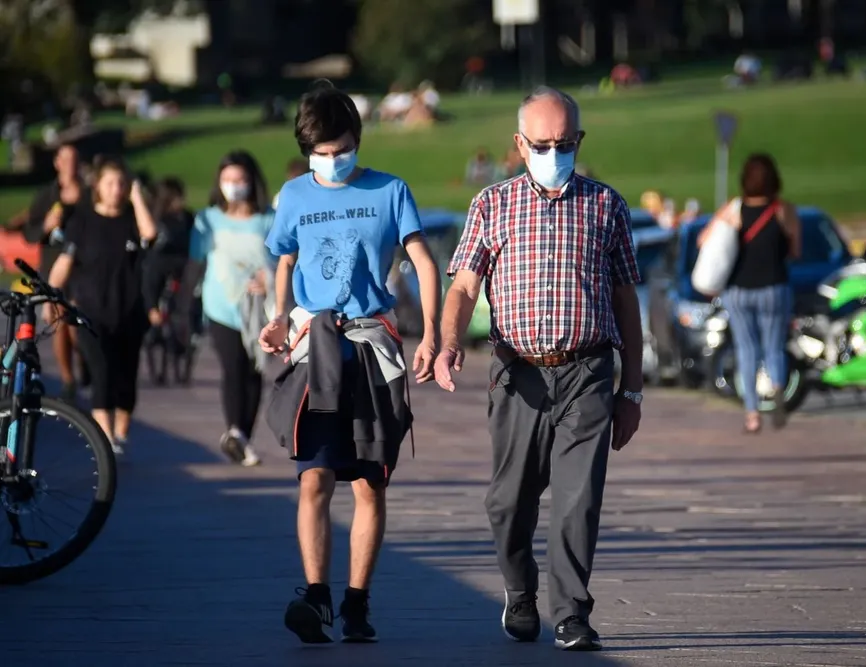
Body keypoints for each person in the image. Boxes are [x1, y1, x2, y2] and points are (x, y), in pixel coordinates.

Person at [433, 86, 643, 652]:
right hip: (518, 375)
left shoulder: (606, 206)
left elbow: (627, 301)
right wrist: (449, 343)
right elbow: (463, 287)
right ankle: (519, 592)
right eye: (544, 143)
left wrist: (634, 390)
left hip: (588, 372)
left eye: (566, 142)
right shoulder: (491, 205)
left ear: (579, 140)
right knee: (510, 500)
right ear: (519, 145)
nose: (556, 153)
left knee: (579, 498)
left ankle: (572, 613)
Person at [257, 83, 440, 645]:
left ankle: (357, 602)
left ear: (357, 141)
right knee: (312, 477)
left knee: (367, 484)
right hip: (316, 345)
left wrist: (432, 334)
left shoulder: (390, 191)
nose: (331, 161)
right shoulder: (292, 195)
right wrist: (279, 316)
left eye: (339, 150)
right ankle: (316, 597)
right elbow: (285, 260)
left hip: (369, 345)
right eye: (320, 152)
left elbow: (424, 263)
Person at [42, 156, 158, 452]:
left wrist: (136, 197)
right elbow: (63, 264)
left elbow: (151, 234)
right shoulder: (82, 223)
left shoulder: (132, 221)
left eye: (122, 183)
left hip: (129, 312)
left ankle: (120, 433)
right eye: (110, 183)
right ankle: (105, 440)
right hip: (90, 313)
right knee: (102, 373)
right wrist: (50, 295)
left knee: (126, 380)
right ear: (98, 186)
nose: (116, 189)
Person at [698, 154, 801, 434]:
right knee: (774, 346)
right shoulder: (783, 210)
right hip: (774, 287)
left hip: (739, 290)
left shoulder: (733, 209)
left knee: (746, 348)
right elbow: (795, 251)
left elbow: (704, 240)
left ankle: (752, 414)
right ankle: (779, 395)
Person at [189, 151, 275, 467]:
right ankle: (234, 430)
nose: (234, 186)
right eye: (227, 180)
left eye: (240, 180)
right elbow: (195, 264)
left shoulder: (268, 219)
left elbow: (282, 260)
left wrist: (271, 279)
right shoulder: (207, 220)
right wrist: (185, 307)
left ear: (252, 182)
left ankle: (242, 438)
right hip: (220, 307)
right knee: (233, 367)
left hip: (258, 309)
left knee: (254, 372)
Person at [22, 143, 87, 401]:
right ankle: (67, 378)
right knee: (59, 322)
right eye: (65, 159)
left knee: (77, 327)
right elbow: (30, 234)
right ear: (57, 163)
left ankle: (84, 363)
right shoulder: (47, 195)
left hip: (82, 268)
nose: (70, 164)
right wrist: (46, 225)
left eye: (75, 159)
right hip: (53, 267)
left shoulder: (88, 194)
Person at [143, 177, 195, 330]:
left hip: (184, 283)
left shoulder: (187, 219)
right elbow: (152, 271)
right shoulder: (159, 226)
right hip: (163, 287)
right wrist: (152, 305)